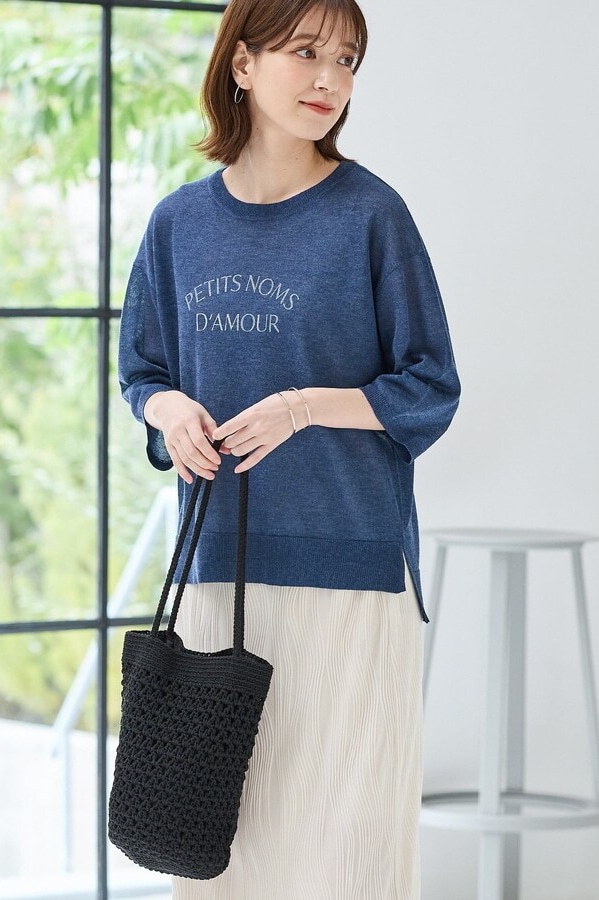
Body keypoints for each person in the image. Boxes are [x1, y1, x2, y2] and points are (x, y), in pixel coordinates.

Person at [117, 0, 461, 896]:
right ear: (242, 64)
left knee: (344, 853)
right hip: (218, 571)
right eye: (306, 52)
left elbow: (430, 386)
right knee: (222, 851)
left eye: (346, 61)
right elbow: (141, 371)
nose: (329, 79)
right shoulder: (177, 224)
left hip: (350, 573)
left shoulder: (372, 215)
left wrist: (305, 407)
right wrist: (168, 412)